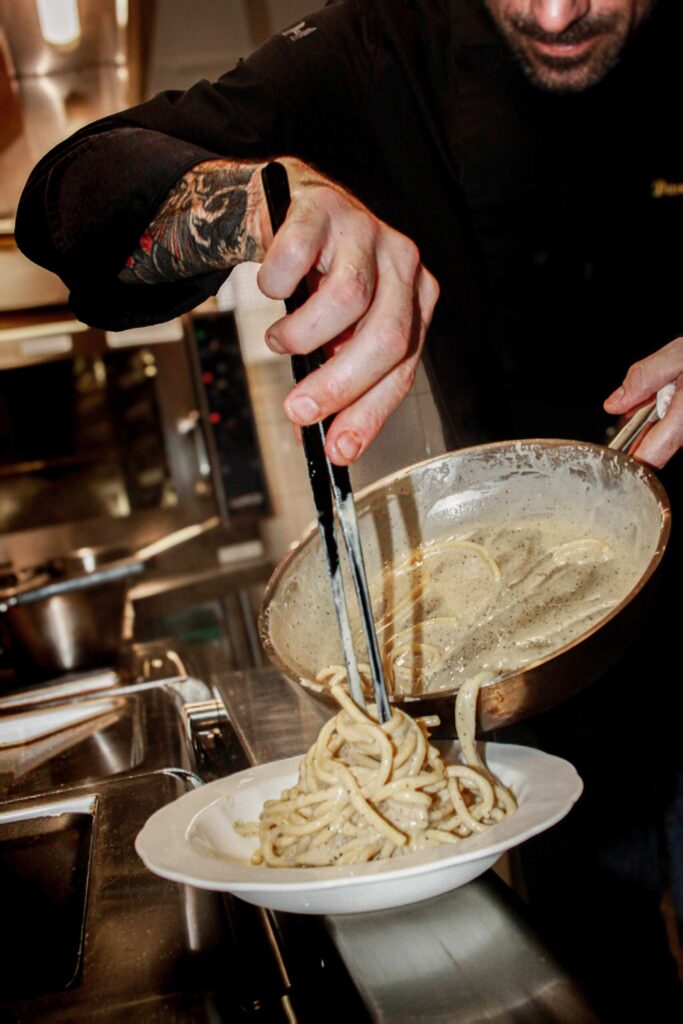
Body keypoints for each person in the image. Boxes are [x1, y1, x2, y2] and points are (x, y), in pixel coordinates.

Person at [15, 0, 683, 1017]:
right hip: (536, 690)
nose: (554, 12)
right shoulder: (374, 55)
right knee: (601, 979)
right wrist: (264, 202)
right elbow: (67, 200)